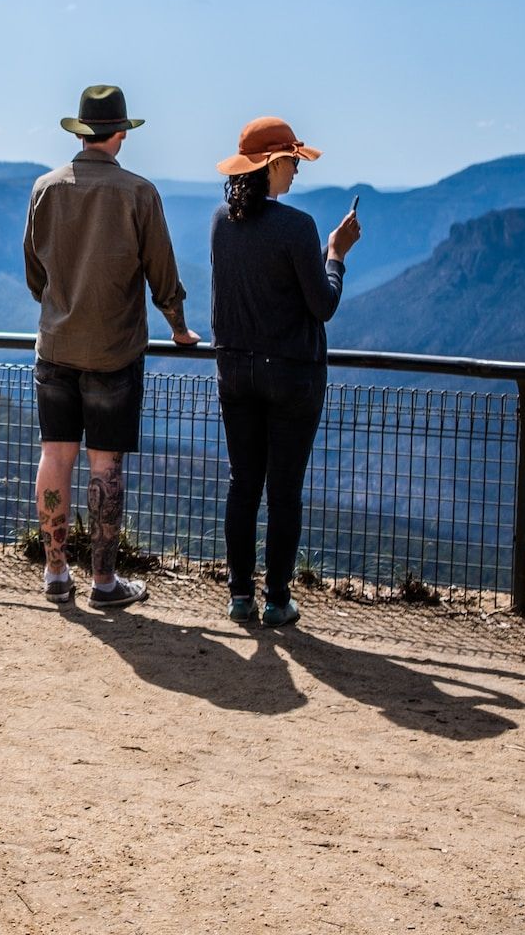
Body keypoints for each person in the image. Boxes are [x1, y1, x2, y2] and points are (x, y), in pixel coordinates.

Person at [25, 84, 201, 608]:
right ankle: (104, 583)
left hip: (54, 347)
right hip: (113, 353)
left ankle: (56, 575)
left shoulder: (45, 188)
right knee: (106, 467)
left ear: (82, 133)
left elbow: (36, 272)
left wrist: (59, 304)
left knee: (55, 455)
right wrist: (179, 327)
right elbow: (161, 274)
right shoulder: (139, 193)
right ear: (120, 134)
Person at [209, 116, 361, 627]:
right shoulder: (299, 227)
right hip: (292, 377)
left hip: (235, 372)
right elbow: (322, 305)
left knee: (243, 484)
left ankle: (239, 596)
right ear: (273, 164)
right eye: (292, 161)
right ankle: (276, 599)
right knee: (284, 490)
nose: (296, 171)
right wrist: (335, 257)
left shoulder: (220, 223)